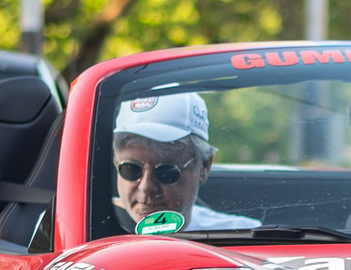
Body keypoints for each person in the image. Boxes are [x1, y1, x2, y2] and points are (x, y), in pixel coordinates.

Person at [107, 92, 256, 231]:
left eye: (167, 172)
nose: (146, 187)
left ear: (204, 167)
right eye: (131, 169)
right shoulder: (89, 233)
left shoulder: (242, 238)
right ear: (115, 163)